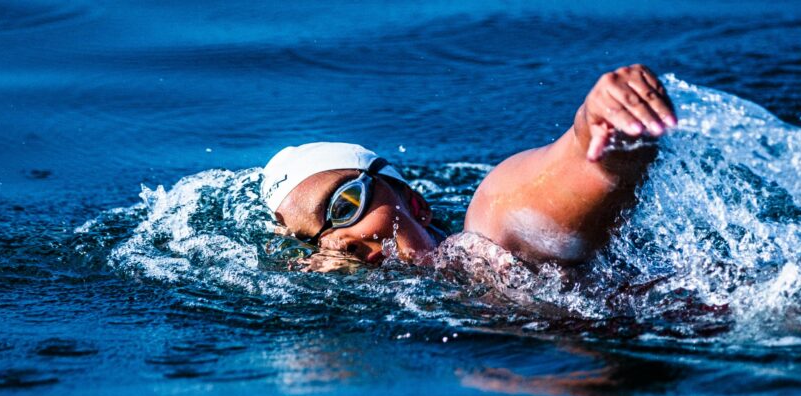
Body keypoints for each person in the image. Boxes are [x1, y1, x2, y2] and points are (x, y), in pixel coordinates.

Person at [260, 64, 677, 268]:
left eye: (344, 205)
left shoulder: (489, 240)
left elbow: (570, 175)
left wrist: (603, 129)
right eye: (311, 242)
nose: (337, 242)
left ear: (414, 203)